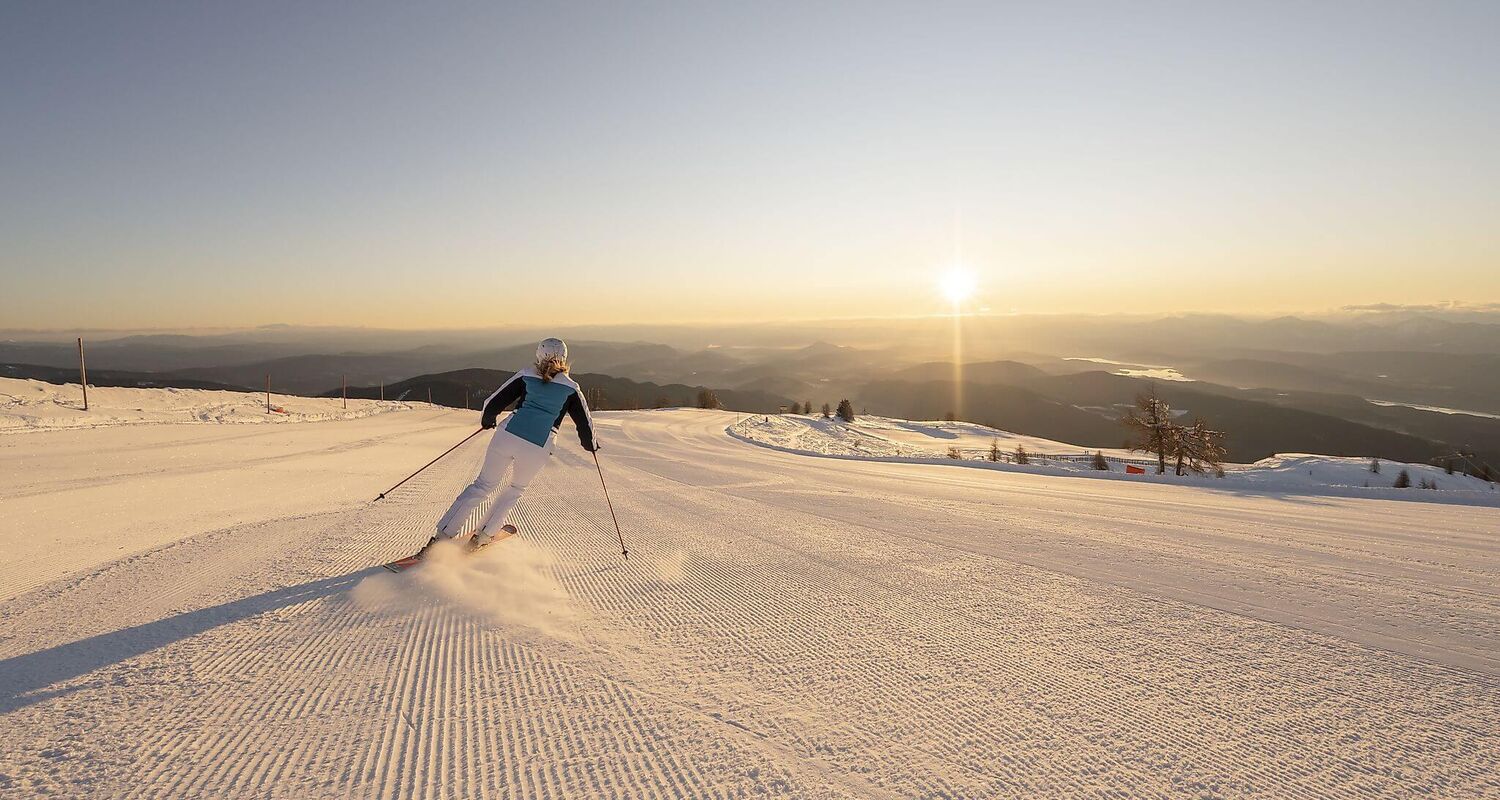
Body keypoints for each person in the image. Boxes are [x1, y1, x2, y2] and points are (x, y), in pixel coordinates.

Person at [417, 337, 598, 557]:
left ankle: (441, 538)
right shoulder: (571, 388)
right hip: (538, 445)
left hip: (508, 436)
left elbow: (493, 402)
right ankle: (483, 537)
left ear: (538, 355)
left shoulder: (526, 375)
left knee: (482, 485)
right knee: (515, 489)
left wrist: (488, 420)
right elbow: (585, 425)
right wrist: (591, 445)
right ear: (565, 357)